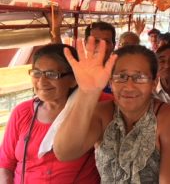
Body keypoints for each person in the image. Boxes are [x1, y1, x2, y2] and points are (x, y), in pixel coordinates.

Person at [53, 39, 170, 183]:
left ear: (154, 83)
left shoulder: (168, 119)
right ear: (110, 82)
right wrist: (87, 92)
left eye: (139, 78)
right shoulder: (102, 113)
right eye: (121, 77)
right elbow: (65, 152)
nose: (129, 87)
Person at [0, 44, 100, 184]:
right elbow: (5, 164)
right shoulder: (21, 112)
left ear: (73, 79)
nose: (41, 81)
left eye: (52, 74)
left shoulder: (89, 112)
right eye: (37, 73)